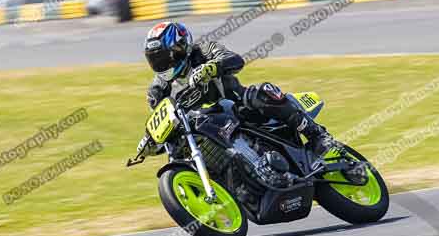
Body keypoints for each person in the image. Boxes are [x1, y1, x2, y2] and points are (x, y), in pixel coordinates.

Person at [136, 21, 335, 159]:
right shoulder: (158, 90)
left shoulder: (204, 50)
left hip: (236, 106)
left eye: (165, 56)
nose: (162, 63)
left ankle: (317, 135)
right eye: (156, 59)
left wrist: (212, 67)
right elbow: (163, 120)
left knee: (262, 91)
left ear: (182, 47)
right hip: (205, 128)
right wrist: (150, 141)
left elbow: (235, 60)